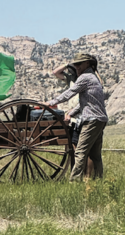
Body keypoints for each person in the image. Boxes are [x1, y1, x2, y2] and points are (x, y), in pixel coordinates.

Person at [48, 53, 107, 182]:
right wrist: (71, 113)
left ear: (87, 64)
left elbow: (69, 93)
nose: (77, 67)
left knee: (80, 152)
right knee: (95, 154)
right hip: (99, 119)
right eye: (75, 65)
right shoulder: (93, 78)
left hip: (91, 119)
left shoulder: (85, 77)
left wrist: (50, 103)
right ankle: (99, 181)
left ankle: (74, 182)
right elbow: (84, 103)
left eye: (79, 64)